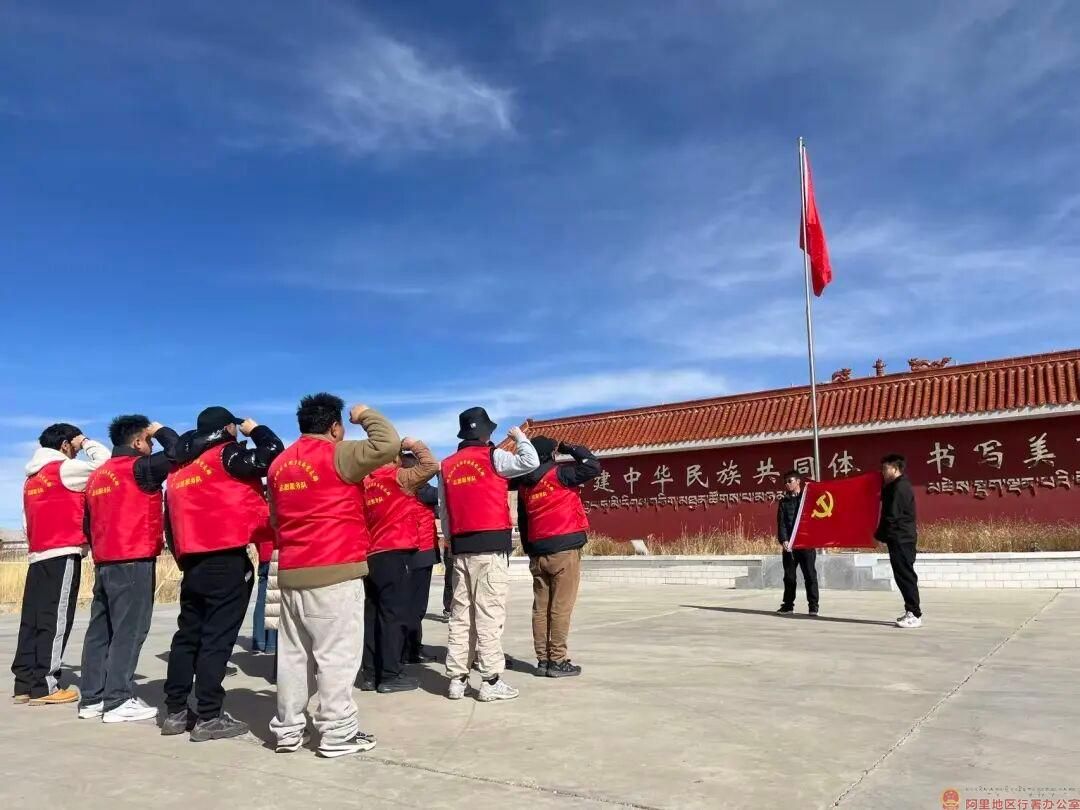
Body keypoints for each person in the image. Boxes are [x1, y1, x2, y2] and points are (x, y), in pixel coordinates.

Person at [268, 393, 399, 758]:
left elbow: (275, 518)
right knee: (336, 657)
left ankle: (288, 730)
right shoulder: (338, 454)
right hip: (335, 568)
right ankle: (338, 732)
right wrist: (366, 414)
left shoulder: (279, 465)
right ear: (335, 427)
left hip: (292, 571)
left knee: (293, 659)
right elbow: (388, 445)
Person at [162, 407, 284, 741]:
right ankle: (209, 715)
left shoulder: (180, 469)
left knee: (188, 636)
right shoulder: (225, 456)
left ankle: (175, 711)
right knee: (217, 639)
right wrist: (256, 429)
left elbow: (168, 521)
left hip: (193, 561)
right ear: (228, 427)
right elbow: (274, 455)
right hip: (225, 558)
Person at [80, 415, 179, 723]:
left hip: (104, 561)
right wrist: (160, 430)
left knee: (100, 630)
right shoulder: (139, 468)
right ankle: (118, 699)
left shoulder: (97, 476)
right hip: (133, 557)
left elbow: (87, 523)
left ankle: (92, 698)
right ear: (137, 442)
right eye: (148, 441)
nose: (151, 446)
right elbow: (179, 450)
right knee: (130, 630)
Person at [439, 407, 538, 702]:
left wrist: (451, 541)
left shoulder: (447, 465)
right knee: (489, 615)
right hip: (491, 545)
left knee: (461, 615)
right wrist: (520, 437)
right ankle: (491, 680)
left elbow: (444, 510)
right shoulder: (494, 456)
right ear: (485, 432)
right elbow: (530, 462)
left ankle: (457, 679)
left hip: (461, 548)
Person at [13, 424, 110, 706]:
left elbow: (25, 522)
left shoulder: (31, 479)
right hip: (63, 550)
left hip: (38, 555)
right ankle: (45, 685)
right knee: (55, 619)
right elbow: (104, 464)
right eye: (75, 447)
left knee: (32, 621)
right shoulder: (63, 469)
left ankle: (24, 683)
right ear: (66, 444)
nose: (77, 452)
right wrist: (87, 441)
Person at [513, 436, 600, 678]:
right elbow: (592, 466)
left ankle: (542, 660)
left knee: (540, 609)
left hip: (538, 551)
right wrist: (571, 448)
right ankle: (558, 660)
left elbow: (523, 521)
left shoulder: (524, 485)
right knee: (560, 608)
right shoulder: (560, 474)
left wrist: (530, 550)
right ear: (551, 455)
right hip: (564, 549)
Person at [359, 438, 439, 693]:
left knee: (372, 616)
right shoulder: (399, 478)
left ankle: (370, 674)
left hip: (371, 554)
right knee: (393, 616)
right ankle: (390, 675)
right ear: (394, 457)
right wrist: (414, 444)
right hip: (396, 552)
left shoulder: (364, 482)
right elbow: (431, 466)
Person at [875, 453, 922, 628]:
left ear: (895, 468)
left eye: (885, 468)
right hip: (897, 538)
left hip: (902, 538)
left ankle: (914, 614)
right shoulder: (893, 486)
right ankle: (910, 611)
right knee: (902, 575)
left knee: (905, 575)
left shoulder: (901, 487)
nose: (882, 472)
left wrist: (879, 536)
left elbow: (892, 515)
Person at [776, 471, 819, 617]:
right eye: (785, 482)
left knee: (810, 576)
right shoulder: (784, 502)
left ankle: (813, 607)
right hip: (790, 545)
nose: (787, 484)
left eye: (790, 481)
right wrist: (784, 540)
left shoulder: (807, 499)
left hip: (806, 544)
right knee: (789, 577)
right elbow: (781, 523)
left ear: (798, 481)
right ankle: (788, 606)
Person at [405, 482, 440, 662]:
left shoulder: (397, 484)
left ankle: (407, 648)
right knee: (416, 605)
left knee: (407, 603)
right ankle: (411, 649)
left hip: (407, 549)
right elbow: (441, 495)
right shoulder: (420, 487)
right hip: (421, 549)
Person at [251, 519, 277, 655]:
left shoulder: (259, 513)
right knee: (274, 601)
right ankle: (272, 643)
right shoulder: (273, 511)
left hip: (264, 554)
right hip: (276, 552)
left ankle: (259, 640)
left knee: (262, 600)